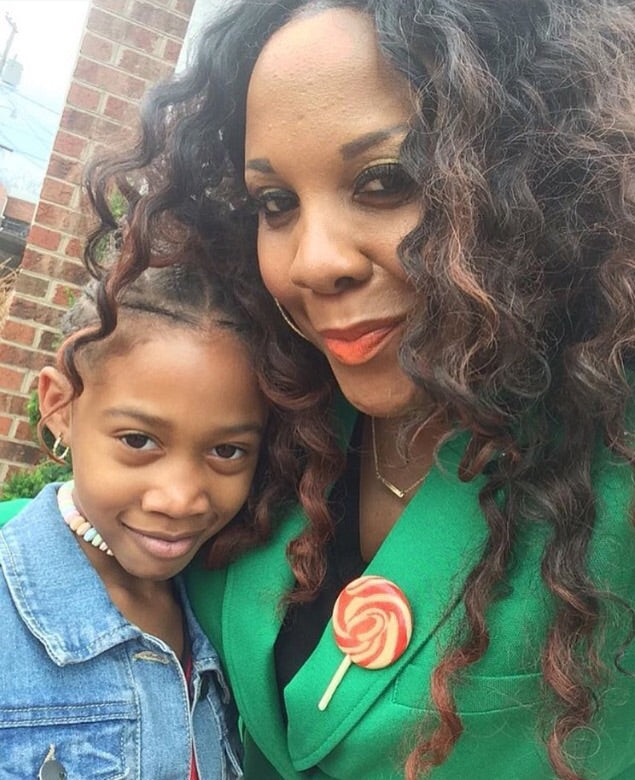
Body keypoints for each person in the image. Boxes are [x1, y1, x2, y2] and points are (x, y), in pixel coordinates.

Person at [84, 1, 635, 778]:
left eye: (385, 181)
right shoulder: (272, 405)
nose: (313, 262)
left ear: (534, 178)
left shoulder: (610, 441)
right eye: (275, 204)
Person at [0, 258, 277, 779]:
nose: (180, 499)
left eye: (227, 450)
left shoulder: (220, 605)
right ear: (59, 407)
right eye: (138, 440)